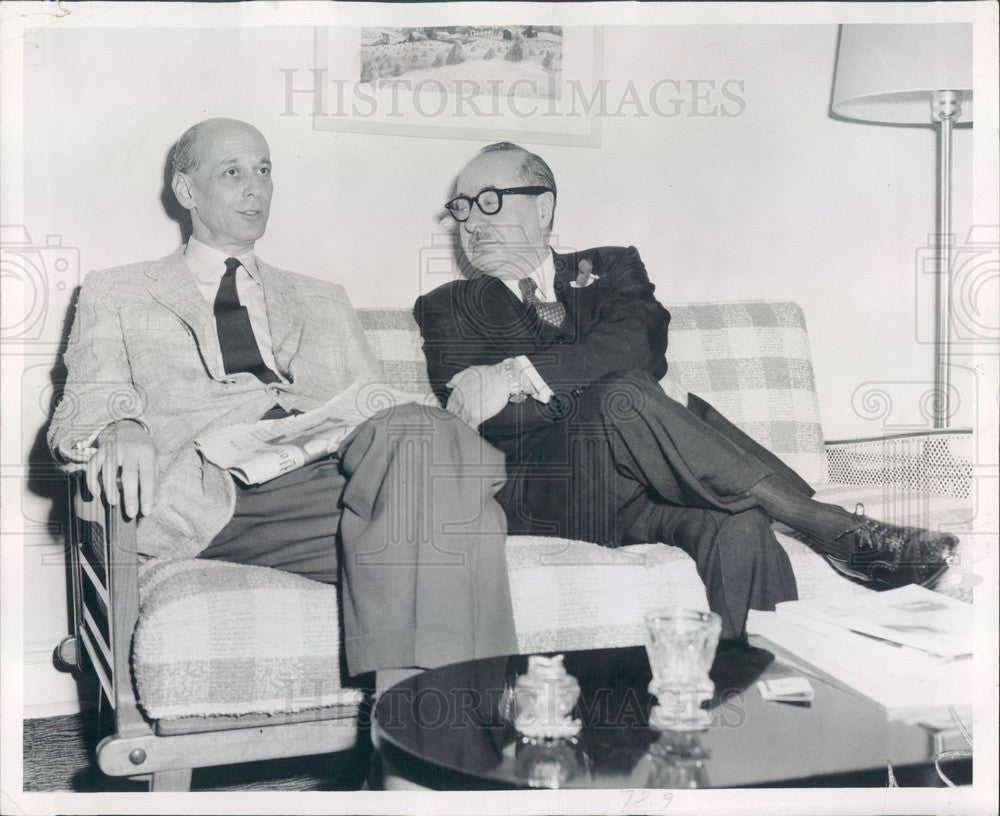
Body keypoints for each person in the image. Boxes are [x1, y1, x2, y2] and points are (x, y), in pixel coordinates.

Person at [414, 141, 957, 640]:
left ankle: (761, 705)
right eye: (460, 209)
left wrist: (515, 374)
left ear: (544, 207)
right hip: (551, 493)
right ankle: (829, 527)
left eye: (488, 201)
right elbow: (499, 422)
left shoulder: (611, 265)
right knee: (622, 395)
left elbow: (640, 346)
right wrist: (615, 391)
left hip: (649, 493)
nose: (470, 223)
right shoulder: (446, 306)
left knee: (737, 523)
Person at [47, 118, 518, 676]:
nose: (256, 187)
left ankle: (408, 752)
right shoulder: (118, 290)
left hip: (329, 472)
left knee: (421, 450)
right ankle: (437, 746)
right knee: (458, 520)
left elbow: (379, 406)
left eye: (265, 170)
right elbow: (80, 408)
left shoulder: (323, 297)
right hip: (219, 486)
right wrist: (120, 427)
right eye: (233, 171)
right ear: (186, 190)